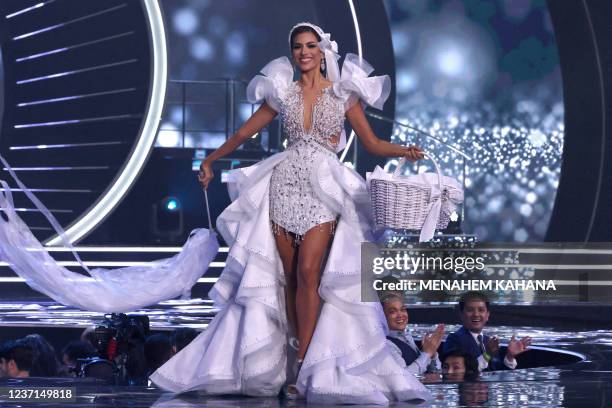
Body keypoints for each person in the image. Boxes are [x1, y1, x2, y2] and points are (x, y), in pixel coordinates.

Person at [150, 22, 429, 404]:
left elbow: (373, 142)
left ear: (321, 50)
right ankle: (298, 358)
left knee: (310, 272)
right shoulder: (282, 91)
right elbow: (244, 133)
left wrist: (404, 151)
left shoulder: (344, 92)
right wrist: (212, 159)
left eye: (310, 45)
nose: (303, 52)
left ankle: (309, 361)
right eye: (297, 46)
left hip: (325, 189)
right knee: (290, 279)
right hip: (284, 185)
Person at [443, 291, 532, 371]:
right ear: (461, 314)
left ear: (487, 315)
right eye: (470, 310)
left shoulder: (488, 341)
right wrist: (487, 355)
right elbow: (460, 372)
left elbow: (496, 373)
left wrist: (509, 356)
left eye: (481, 310)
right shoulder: (454, 339)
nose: (476, 314)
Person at [381, 293, 444, 375]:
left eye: (403, 309)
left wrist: (433, 354)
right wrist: (427, 353)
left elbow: (436, 373)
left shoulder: (408, 337)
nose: (400, 315)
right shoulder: (385, 344)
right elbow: (403, 377)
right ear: (382, 316)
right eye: (392, 312)